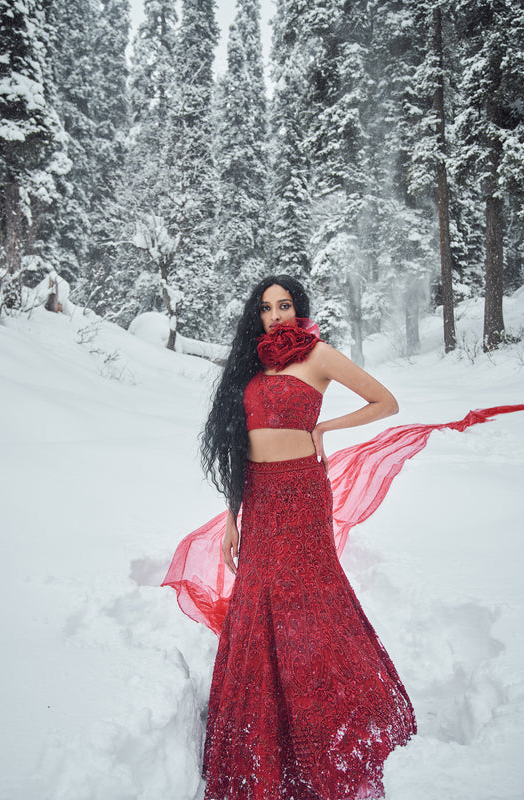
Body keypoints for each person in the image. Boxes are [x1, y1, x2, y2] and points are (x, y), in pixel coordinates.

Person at [198, 275, 416, 800]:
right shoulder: (250, 366)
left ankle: (329, 718)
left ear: (299, 309)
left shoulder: (317, 354)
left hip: (301, 493)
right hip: (258, 494)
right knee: (257, 598)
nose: (275, 316)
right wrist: (231, 517)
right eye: (266, 307)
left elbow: (386, 402)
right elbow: (236, 448)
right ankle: (266, 729)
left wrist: (324, 428)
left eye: (284, 305)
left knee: (308, 599)